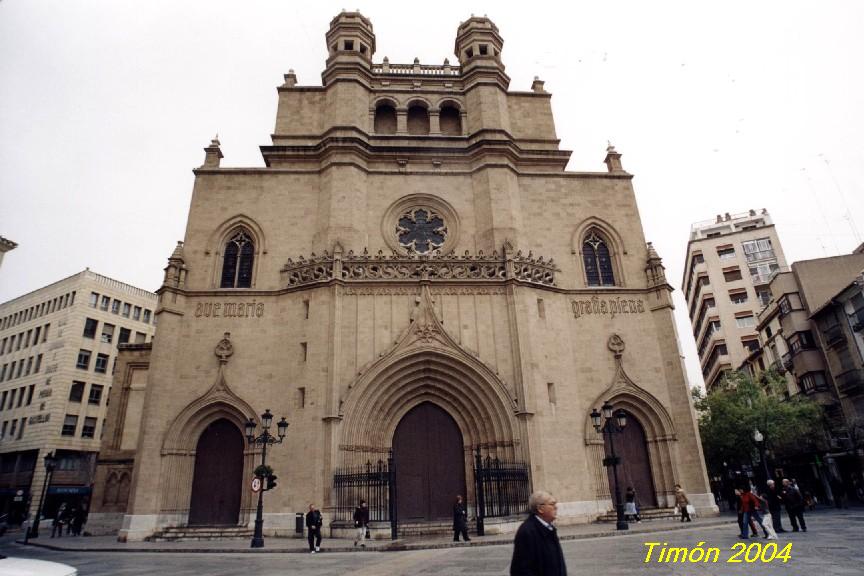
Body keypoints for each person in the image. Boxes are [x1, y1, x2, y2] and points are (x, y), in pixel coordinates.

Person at [510, 490, 566, 576]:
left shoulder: (548, 527)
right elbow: (521, 570)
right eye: (552, 504)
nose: (556, 507)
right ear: (540, 509)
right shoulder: (527, 532)